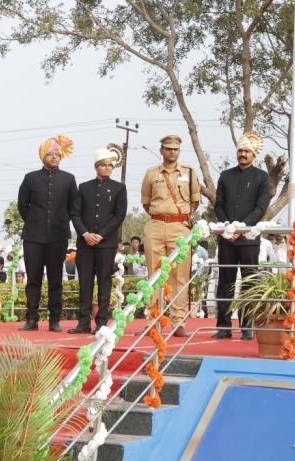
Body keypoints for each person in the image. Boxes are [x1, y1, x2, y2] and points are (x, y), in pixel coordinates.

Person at [213, 131, 272, 340]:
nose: (243, 154)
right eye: (240, 150)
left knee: (249, 282)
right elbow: (218, 205)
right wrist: (228, 226)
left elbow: (261, 207)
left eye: (247, 151)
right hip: (227, 238)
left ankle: (247, 327)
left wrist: (242, 228)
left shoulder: (262, 177)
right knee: (225, 282)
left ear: (253, 154)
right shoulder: (225, 176)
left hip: (249, 238)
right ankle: (223, 326)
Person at [141, 135, 201, 337]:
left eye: (175, 149)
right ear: (161, 151)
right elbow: (146, 202)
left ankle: (178, 321)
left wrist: (182, 217)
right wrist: (161, 215)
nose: (172, 152)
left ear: (179, 152)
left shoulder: (190, 173)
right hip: (156, 224)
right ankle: (154, 318)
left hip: (180, 227)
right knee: (155, 274)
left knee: (180, 276)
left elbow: (195, 200)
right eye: (168, 149)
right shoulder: (151, 174)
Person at [17, 135, 77, 332]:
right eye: (50, 153)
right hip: (33, 236)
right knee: (33, 279)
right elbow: (22, 205)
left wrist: (60, 222)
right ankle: (32, 319)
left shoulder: (68, 179)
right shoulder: (30, 178)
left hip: (58, 236)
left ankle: (54, 321)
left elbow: (72, 207)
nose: (54, 157)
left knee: (55, 279)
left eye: (57, 154)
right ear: (43, 156)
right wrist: (34, 222)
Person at [69, 148, 128, 334]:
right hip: (85, 243)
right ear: (96, 167)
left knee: (104, 283)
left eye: (111, 165)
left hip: (106, 243)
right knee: (85, 283)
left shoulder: (119, 188)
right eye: (104, 165)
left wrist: (101, 235)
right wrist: (85, 234)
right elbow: (75, 213)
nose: (108, 168)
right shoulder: (84, 187)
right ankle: (83, 322)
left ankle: (101, 322)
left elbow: (119, 216)